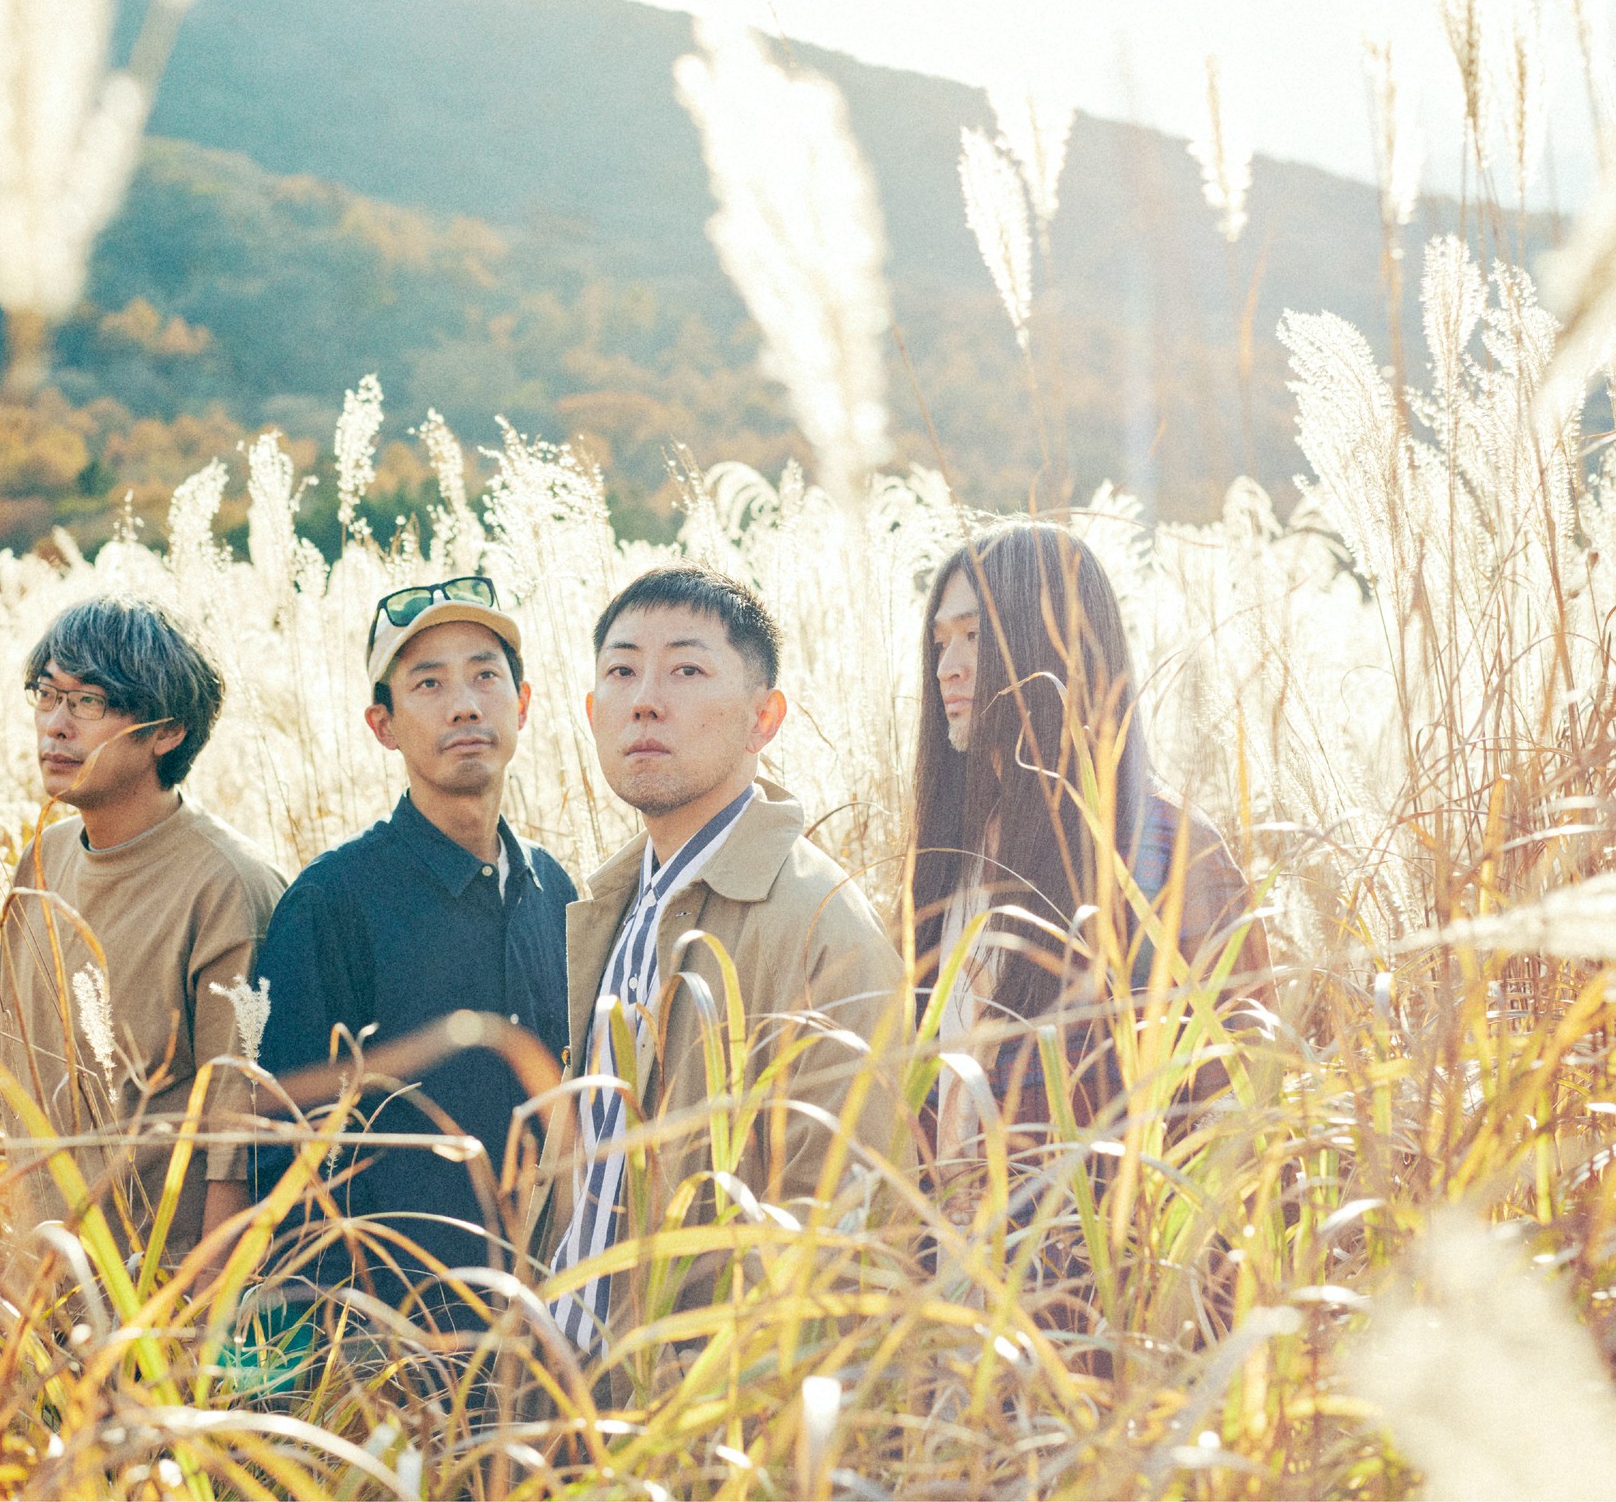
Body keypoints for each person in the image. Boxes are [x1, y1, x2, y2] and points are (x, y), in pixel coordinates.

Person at [543, 565, 902, 1357]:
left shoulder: (819, 924)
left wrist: (690, 1404)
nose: (645, 699)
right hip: (564, 1391)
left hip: (682, 1411)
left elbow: (842, 1236)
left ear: (762, 719)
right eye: (621, 671)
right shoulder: (613, 903)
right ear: (592, 712)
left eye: (686, 670)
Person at [233, 576, 572, 1327]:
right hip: (398, 1344)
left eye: (485, 676)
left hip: (549, 1333)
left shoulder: (554, 890)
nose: (464, 705)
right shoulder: (333, 903)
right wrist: (344, 1351)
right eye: (428, 684)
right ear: (382, 725)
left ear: (522, 704)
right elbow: (287, 1154)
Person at [909, 522, 1271, 1184]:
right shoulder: (952, 853)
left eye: (975, 636)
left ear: (1056, 644)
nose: (946, 668)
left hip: (1095, 1243)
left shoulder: (1167, 852)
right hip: (951, 1243)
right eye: (939, 643)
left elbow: (1236, 1115)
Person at [0, 595, 287, 1267]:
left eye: (88, 702)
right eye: (47, 695)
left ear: (167, 731)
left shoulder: (227, 889)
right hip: (34, 1296)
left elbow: (236, 1141)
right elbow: (7, 1081)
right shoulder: (40, 863)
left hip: (152, 1298)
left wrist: (202, 1309)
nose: (56, 725)